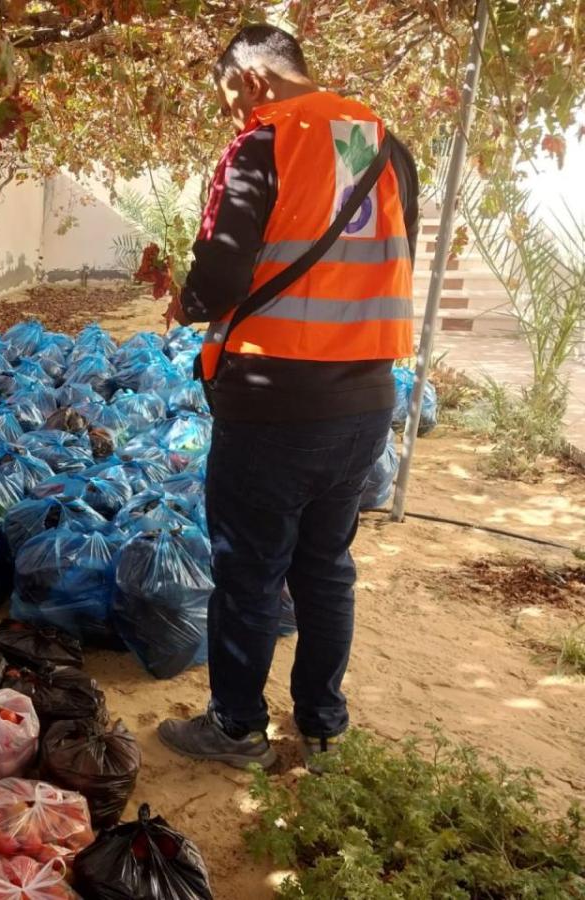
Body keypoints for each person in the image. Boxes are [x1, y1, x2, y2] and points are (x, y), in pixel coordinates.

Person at [158, 24, 419, 770]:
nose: (235, 114)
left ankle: (235, 729)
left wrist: (189, 300)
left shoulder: (265, 142)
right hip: (367, 397)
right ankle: (323, 726)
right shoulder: (385, 146)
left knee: (249, 570)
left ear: (249, 77)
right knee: (326, 566)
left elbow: (221, 275)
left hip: (276, 396)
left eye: (231, 97)